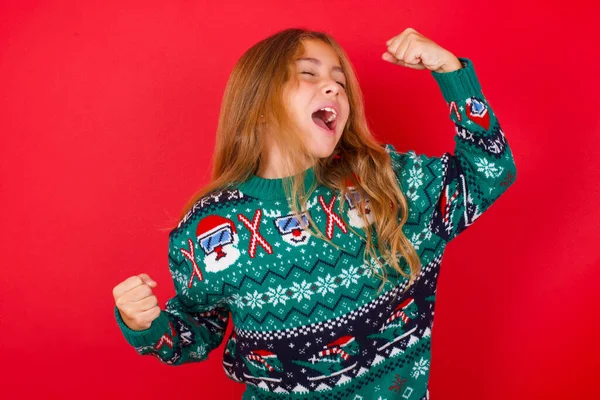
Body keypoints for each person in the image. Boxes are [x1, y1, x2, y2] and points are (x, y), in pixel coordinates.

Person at [112, 27, 516, 399]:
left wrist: (450, 71)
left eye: (341, 82)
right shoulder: (206, 229)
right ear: (259, 104)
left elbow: (490, 172)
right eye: (308, 74)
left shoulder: (383, 184)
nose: (334, 88)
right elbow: (196, 333)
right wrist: (145, 324)